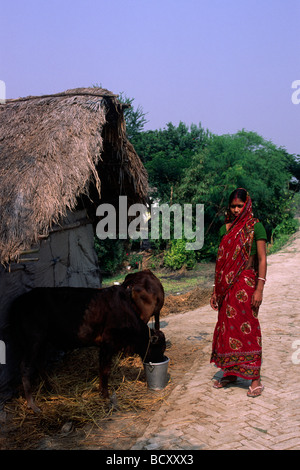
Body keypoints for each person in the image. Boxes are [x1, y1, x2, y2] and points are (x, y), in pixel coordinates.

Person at [210, 188, 267, 397]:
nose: (236, 210)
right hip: (226, 289)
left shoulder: (256, 227)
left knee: (248, 329)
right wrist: (216, 290)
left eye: (239, 206)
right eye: (233, 206)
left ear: (247, 205)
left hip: (246, 285)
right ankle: (231, 373)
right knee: (228, 330)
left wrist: (259, 289)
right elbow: (221, 262)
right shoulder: (225, 230)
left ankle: (255, 378)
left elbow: (261, 260)